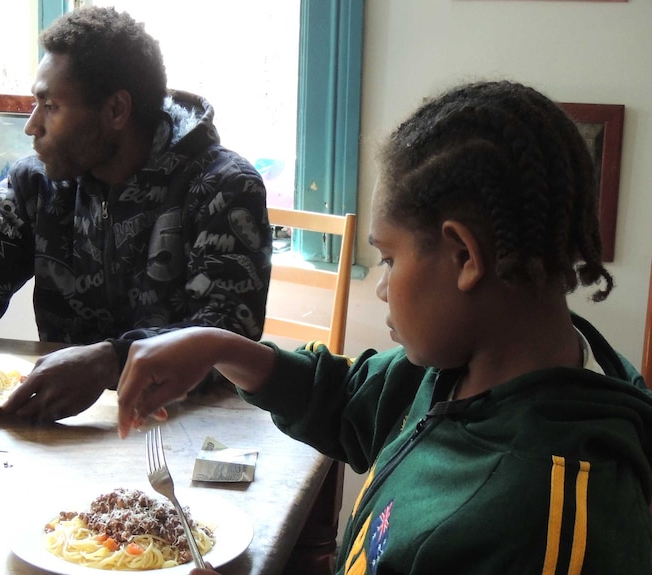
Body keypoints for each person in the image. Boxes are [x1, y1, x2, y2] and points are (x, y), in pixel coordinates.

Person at [116, 80, 652, 574]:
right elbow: (350, 398)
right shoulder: (468, 367)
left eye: (389, 258)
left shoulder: (547, 521)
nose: (381, 286)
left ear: (464, 256)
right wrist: (216, 347)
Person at [0, 6, 272, 421]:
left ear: (117, 110)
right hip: (65, 428)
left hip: (190, 429)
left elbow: (225, 338)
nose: (31, 126)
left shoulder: (224, 186)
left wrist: (106, 362)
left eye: (50, 106)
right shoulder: (36, 183)